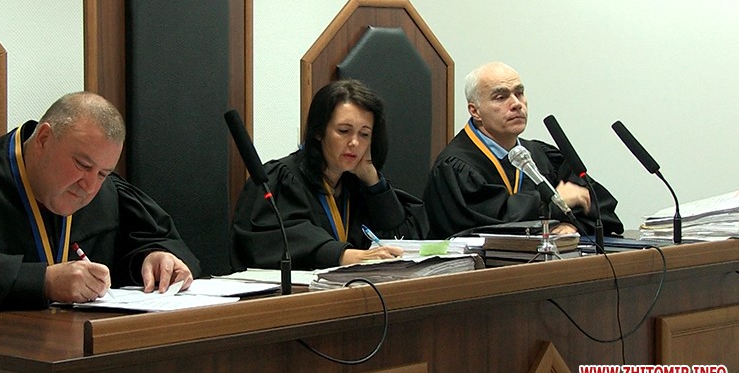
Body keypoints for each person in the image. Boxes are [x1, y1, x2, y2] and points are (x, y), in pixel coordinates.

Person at [0, 92, 200, 313]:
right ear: (43, 139)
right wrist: (43, 281)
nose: (90, 186)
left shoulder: (108, 193)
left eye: (103, 173)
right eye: (82, 164)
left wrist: (155, 258)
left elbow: (157, 241)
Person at [231, 79, 428, 270]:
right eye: (344, 131)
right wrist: (343, 255)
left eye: (364, 134)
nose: (355, 142)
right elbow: (274, 241)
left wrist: (373, 182)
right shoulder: (282, 179)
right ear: (319, 132)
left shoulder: (357, 185)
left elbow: (403, 239)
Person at [423, 62, 623, 238]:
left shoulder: (541, 155)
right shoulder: (455, 167)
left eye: (519, 93)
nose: (516, 104)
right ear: (475, 111)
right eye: (501, 97)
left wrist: (573, 225)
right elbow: (486, 228)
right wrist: (555, 203)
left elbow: (598, 206)